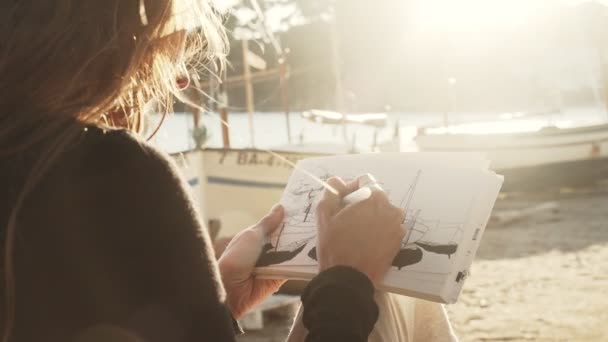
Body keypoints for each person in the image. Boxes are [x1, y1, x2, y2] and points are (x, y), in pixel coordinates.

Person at [0, 1, 407, 341]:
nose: (177, 79)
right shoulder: (108, 170)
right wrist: (345, 283)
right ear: (105, 42)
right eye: (156, 43)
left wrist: (213, 305)